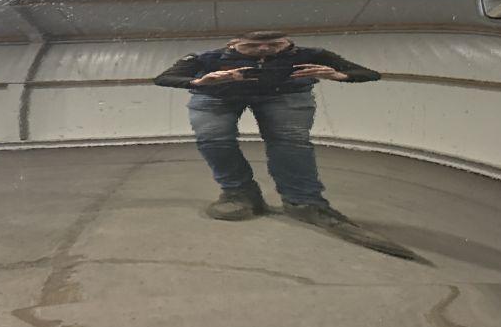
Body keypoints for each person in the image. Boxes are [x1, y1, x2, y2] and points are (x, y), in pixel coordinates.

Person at [154, 31, 379, 224]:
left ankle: (303, 201)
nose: (264, 49)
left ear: (289, 43)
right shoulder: (207, 57)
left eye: (274, 45)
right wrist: (197, 82)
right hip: (217, 95)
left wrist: (341, 75)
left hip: (285, 94)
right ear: (232, 45)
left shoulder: (311, 54)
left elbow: (369, 73)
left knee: (291, 142)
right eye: (251, 46)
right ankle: (239, 193)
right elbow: (165, 78)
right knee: (213, 140)